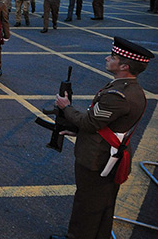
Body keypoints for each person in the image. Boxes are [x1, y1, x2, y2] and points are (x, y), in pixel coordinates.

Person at [49, 37, 153, 239]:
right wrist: (78, 132)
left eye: (113, 57)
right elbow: (105, 125)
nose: (107, 58)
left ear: (124, 65)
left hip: (98, 158)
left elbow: (90, 122)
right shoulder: (129, 88)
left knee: (87, 204)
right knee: (102, 203)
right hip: (108, 150)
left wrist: (66, 107)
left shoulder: (118, 96)